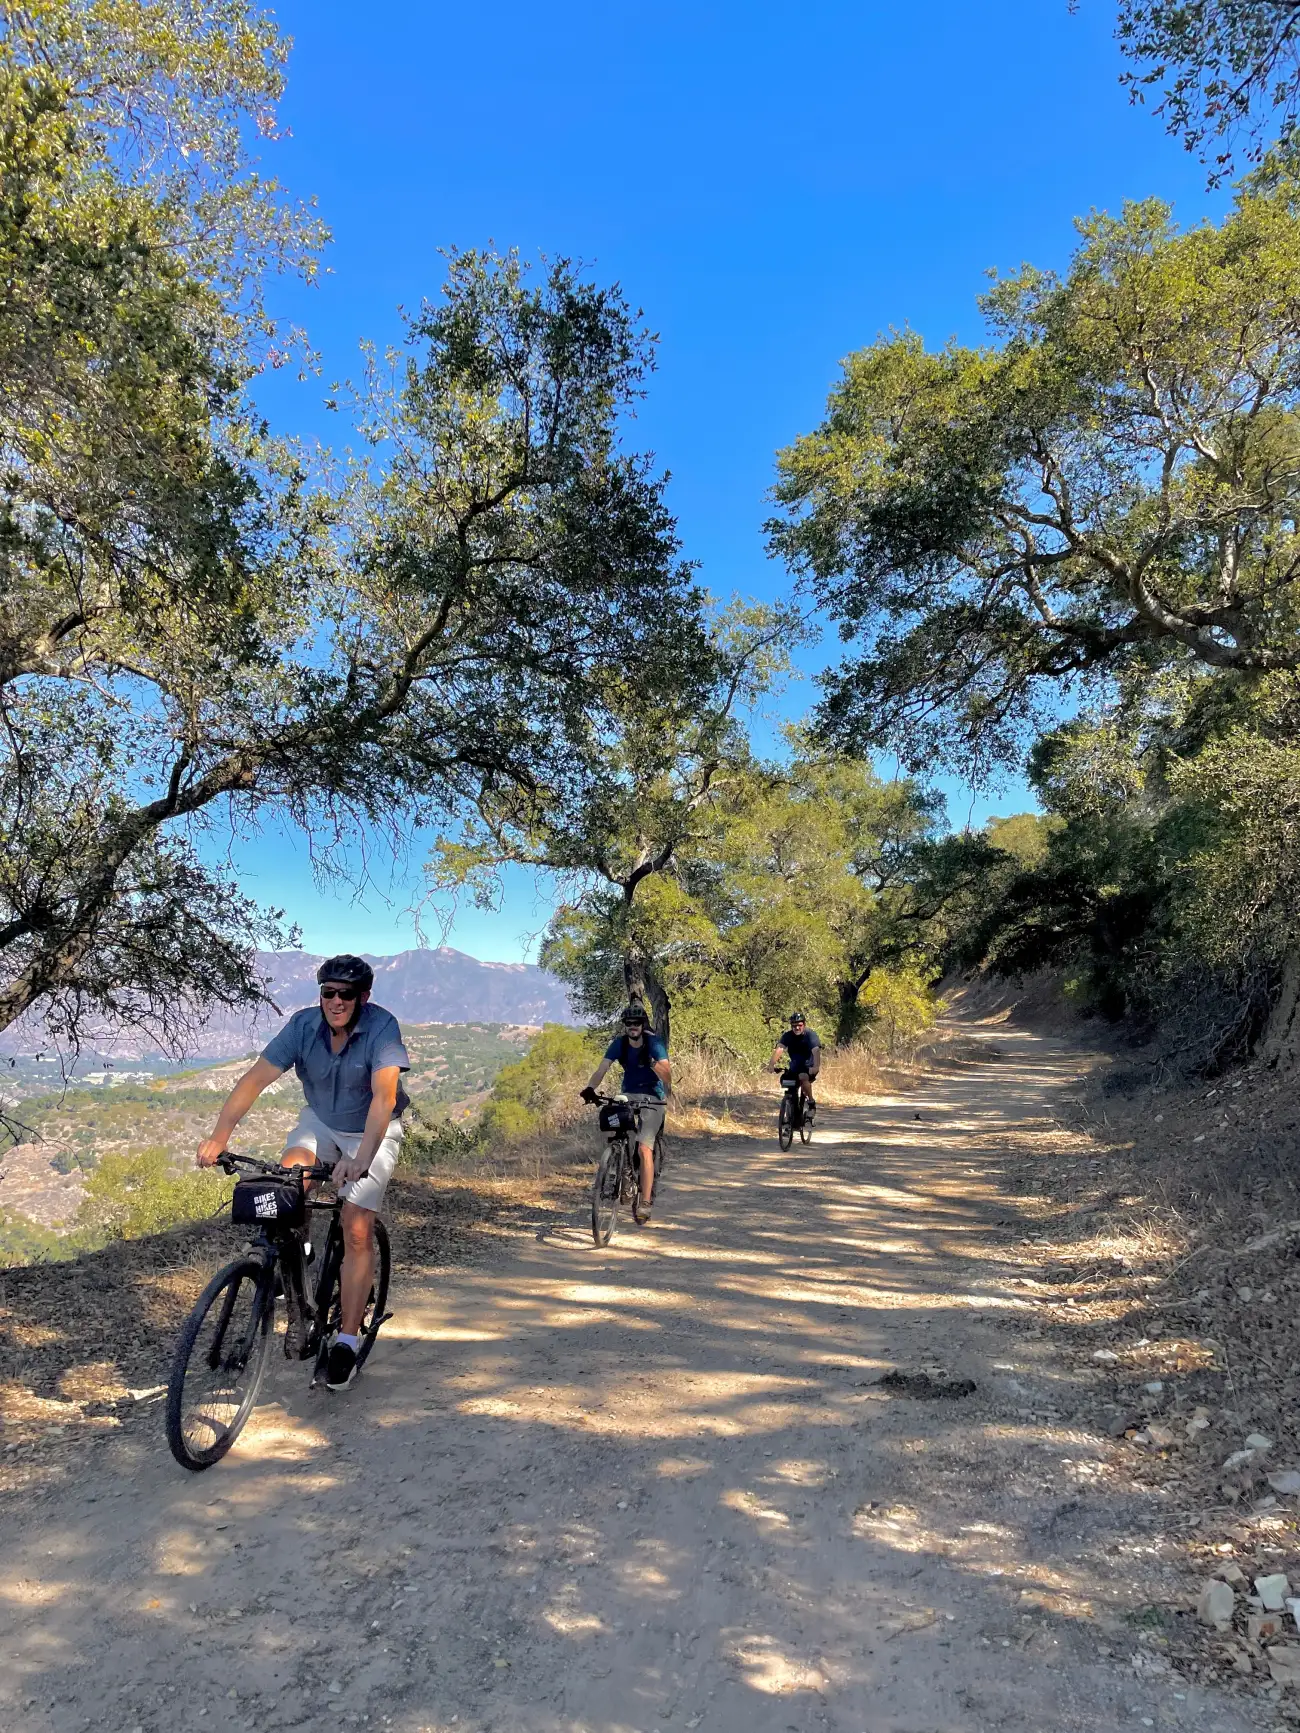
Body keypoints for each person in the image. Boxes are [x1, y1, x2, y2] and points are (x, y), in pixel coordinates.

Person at [196, 954, 410, 1390]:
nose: (336, 1000)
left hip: (372, 1130)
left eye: (346, 994)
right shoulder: (302, 1026)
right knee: (288, 1180)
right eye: (328, 992)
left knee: (354, 1227)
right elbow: (255, 1079)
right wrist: (219, 1136)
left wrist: (362, 1159)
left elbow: (383, 1099)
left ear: (362, 998)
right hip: (321, 1120)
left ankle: (347, 1341)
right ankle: (299, 1250)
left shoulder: (382, 1027)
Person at [580, 1004, 671, 1223]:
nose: (633, 1027)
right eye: (629, 1023)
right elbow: (602, 1069)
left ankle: (645, 1202)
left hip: (653, 1099)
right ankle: (622, 1168)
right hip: (629, 1095)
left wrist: (651, 1063)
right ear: (625, 1026)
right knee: (618, 1131)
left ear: (643, 1025)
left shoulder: (654, 1043)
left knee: (643, 1147)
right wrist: (590, 1088)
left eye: (637, 1023)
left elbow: (667, 1076)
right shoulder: (619, 1044)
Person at [771, 1011, 821, 1117]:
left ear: (804, 1025)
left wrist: (816, 1067)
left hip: (809, 1067)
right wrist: (772, 1064)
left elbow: (816, 1051)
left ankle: (811, 1103)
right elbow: (780, 1049)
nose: (797, 1028)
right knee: (786, 1081)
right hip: (794, 1067)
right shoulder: (787, 1036)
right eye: (794, 1026)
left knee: (803, 1077)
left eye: (799, 1025)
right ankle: (789, 1120)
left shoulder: (810, 1035)